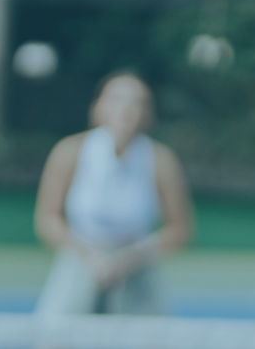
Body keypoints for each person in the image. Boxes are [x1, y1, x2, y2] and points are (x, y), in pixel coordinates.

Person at [33, 71, 195, 316]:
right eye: (117, 99)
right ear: (97, 108)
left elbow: (180, 229)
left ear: (150, 114)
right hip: (79, 262)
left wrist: (128, 260)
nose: (128, 109)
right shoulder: (69, 152)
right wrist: (90, 257)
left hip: (138, 267)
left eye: (140, 102)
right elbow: (47, 220)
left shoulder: (162, 161)